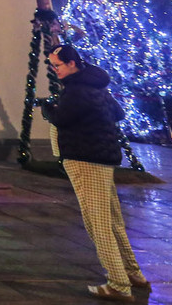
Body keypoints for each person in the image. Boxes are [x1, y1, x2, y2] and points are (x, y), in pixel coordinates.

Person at [42, 44, 149, 301]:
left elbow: (62, 119)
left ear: (71, 64)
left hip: (85, 158)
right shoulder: (96, 86)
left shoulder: (76, 90)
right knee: (112, 220)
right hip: (103, 156)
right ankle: (133, 274)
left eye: (57, 65)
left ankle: (118, 284)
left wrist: (48, 110)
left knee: (97, 223)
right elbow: (118, 113)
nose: (54, 70)